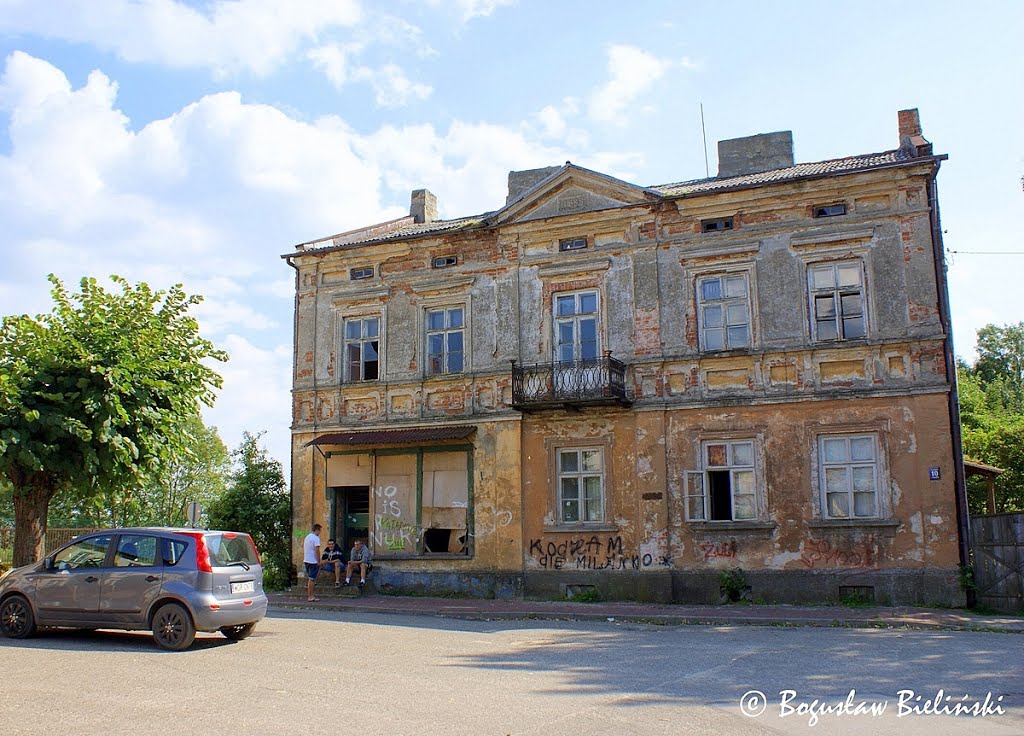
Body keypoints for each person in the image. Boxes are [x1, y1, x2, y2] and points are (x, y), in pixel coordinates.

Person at [302, 523, 322, 602]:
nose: (319, 532)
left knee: (311, 578)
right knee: (312, 579)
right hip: (313, 560)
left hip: (306, 559)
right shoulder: (316, 538)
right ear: (317, 530)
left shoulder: (307, 537)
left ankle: (310, 595)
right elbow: (317, 550)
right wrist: (318, 560)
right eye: (319, 531)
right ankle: (310, 596)